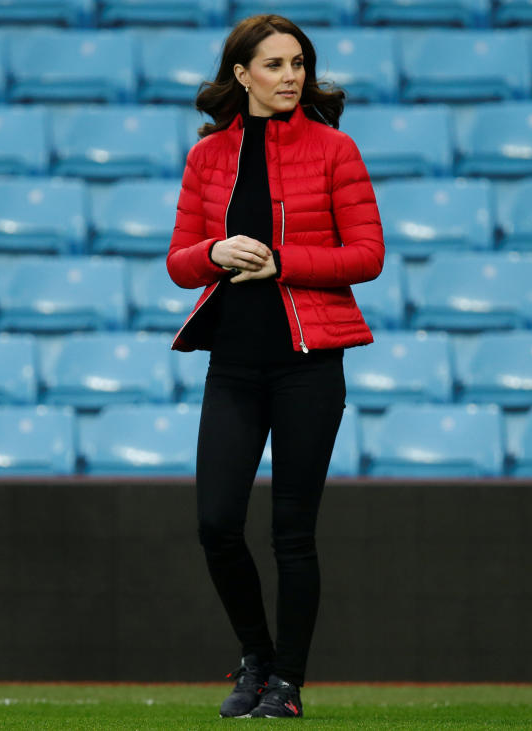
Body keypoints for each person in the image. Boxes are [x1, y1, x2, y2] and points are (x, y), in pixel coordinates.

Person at [166, 14, 384, 719]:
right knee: (216, 524)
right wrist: (213, 255)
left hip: (308, 366)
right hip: (233, 364)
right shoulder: (207, 158)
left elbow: (367, 256)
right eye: (275, 64)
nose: (291, 76)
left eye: (298, 63)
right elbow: (179, 262)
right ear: (241, 74)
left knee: (292, 532)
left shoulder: (335, 150)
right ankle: (256, 658)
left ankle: (286, 683)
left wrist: (283, 261)